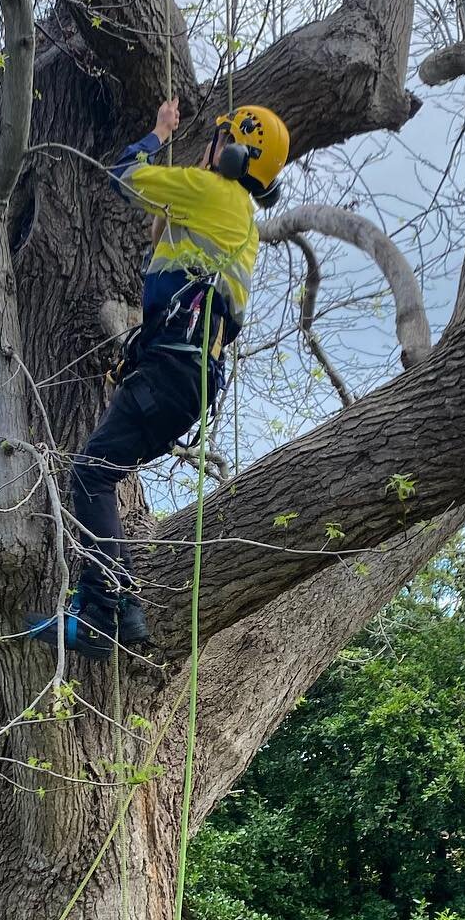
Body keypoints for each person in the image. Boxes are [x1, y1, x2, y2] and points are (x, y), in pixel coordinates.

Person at [27, 97, 291, 658]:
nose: (209, 144)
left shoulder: (212, 193)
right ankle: (126, 610)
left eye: (219, 139)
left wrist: (157, 133)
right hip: (187, 380)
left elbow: (122, 175)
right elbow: (168, 253)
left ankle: (102, 613)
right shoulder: (239, 219)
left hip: (173, 371)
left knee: (91, 474)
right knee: (104, 468)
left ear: (234, 153)